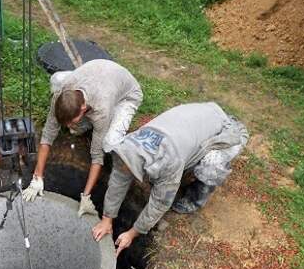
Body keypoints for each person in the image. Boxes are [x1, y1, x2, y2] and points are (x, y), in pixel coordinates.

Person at [92, 102, 249, 256]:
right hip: (200, 117)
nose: (123, 171)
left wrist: (132, 233)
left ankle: (194, 199)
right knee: (172, 170)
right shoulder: (127, 146)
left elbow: (160, 203)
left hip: (227, 130)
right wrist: (107, 219)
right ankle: (190, 163)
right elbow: (117, 181)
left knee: (210, 166)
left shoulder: (169, 161)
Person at [22, 59, 143, 216]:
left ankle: (104, 124)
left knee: (108, 142)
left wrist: (86, 196)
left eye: (71, 121)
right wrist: (37, 177)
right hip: (99, 73)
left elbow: (97, 157)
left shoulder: (101, 110)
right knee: (56, 80)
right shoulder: (60, 94)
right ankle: (83, 124)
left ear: (83, 108)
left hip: (126, 94)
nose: (67, 126)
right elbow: (47, 136)